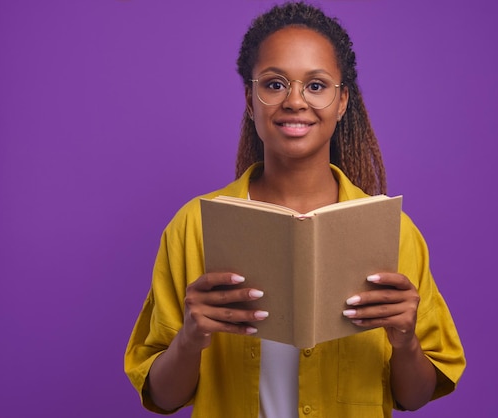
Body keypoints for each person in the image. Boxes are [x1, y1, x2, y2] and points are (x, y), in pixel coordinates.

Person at [124, 2, 465, 417]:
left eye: (317, 86)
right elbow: (162, 397)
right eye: (274, 84)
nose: (295, 101)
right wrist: (191, 338)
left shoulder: (393, 232)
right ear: (251, 100)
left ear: (342, 103)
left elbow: (415, 397)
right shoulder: (194, 226)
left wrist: (405, 339)